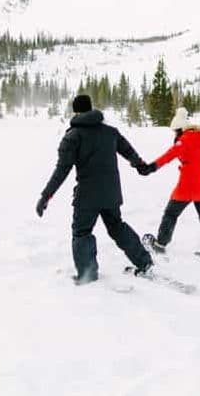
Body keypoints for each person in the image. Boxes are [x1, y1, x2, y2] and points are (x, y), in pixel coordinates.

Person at [36, 94, 153, 284]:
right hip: (111, 193)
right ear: (91, 108)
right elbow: (129, 152)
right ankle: (144, 261)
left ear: (75, 111)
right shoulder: (111, 132)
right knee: (117, 226)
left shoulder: (72, 137)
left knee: (82, 233)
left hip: (87, 196)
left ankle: (87, 274)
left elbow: (61, 171)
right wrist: (140, 165)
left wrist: (45, 196)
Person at [140, 107, 200, 260]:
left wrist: (151, 167)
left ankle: (160, 245)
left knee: (171, 214)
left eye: (175, 131)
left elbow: (168, 156)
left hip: (187, 186)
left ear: (180, 130)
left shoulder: (183, 142)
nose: (174, 135)